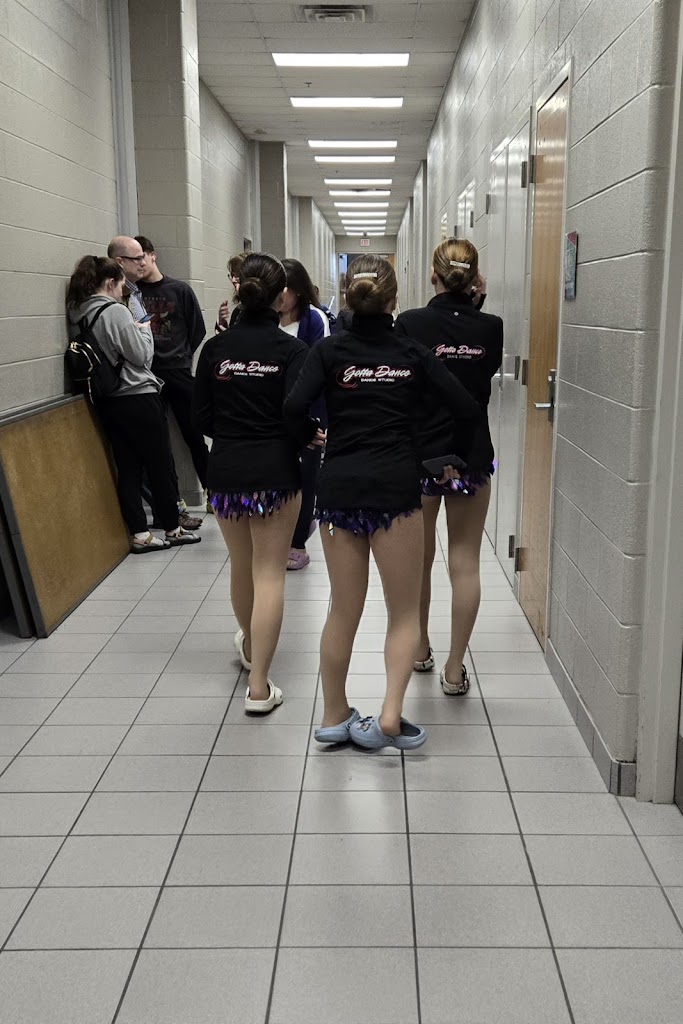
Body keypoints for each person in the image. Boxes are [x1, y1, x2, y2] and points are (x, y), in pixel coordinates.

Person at [284, 255, 482, 750]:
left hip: (339, 490)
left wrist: (310, 435)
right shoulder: (412, 353)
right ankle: (391, 714)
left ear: (349, 296)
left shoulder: (328, 351)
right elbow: (465, 406)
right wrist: (439, 455)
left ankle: (335, 714)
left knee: (342, 610)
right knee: (403, 613)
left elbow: (292, 407)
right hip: (396, 490)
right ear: (394, 299)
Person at [193, 253, 324, 714]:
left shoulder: (214, 350)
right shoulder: (292, 352)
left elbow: (201, 418)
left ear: (240, 290)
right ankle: (260, 686)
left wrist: (236, 431)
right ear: (281, 296)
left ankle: (251, 644)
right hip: (276, 473)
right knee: (270, 574)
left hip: (226, 471)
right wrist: (308, 435)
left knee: (242, 566)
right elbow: (295, 416)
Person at [395, 238, 503, 695]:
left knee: (419, 561)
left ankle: (421, 649)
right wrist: (477, 306)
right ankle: (455, 670)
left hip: (421, 455)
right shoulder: (491, 326)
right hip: (471, 454)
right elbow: (480, 372)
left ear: (432, 275)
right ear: (475, 278)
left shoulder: (410, 323)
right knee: (465, 562)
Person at [66, 256, 201, 553]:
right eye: (120, 286)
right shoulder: (114, 311)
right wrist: (143, 329)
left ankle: (140, 533)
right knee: (160, 465)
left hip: (109, 400)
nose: (122, 292)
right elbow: (141, 356)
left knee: (128, 468)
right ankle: (172, 527)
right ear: (109, 283)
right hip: (138, 396)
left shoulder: (79, 314)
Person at [135, 236, 210, 504]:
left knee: (194, 436)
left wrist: (182, 355)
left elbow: (198, 329)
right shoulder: (132, 293)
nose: (139, 263)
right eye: (133, 259)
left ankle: (213, 494)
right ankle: (173, 501)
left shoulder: (179, 290)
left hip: (178, 370)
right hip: (147, 374)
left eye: (142, 257)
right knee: (157, 443)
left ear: (153, 255)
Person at [279, 258, 331, 570]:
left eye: (285, 289)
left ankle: (298, 542)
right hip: (273, 413)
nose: (280, 295)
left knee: (306, 477)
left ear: (298, 290)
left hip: (309, 411)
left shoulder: (314, 319)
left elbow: (319, 367)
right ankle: (284, 532)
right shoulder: (266, 317)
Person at [216, 251, 250, 332]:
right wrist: (222, 323)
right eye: (232, 275)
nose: (233, 280)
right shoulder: (238, 312)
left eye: (237, 275)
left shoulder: (260, 312)